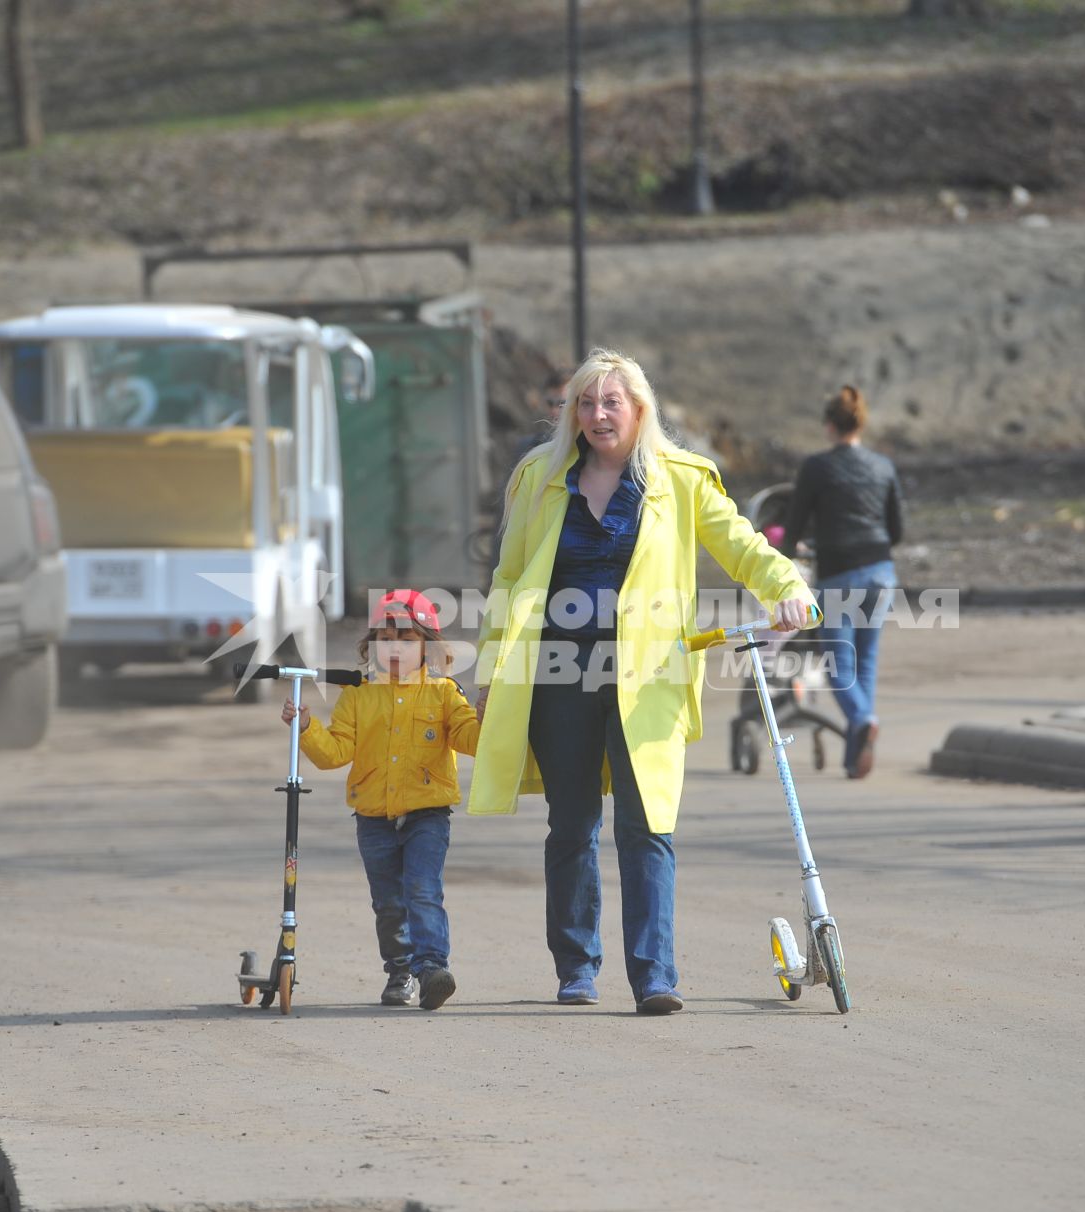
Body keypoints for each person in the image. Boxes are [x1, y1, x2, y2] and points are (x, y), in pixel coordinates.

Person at [469, 349, 815, 1014]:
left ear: (638, 410)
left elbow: (742, 544)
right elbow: (508, 579)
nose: (598, 415)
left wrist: (789, 588)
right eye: (586, 403)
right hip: (556, 675)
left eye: (611, 403)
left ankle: (654, 973)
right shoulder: (537, 480)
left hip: (649, 678)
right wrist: (490, 669)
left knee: (648, 825)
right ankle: (576, 967)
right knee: (570, 824)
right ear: (571, 412)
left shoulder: (681, 479)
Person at [282, 588, 482, 1010]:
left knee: (423, 889)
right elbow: (335, 752)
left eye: (406, 640)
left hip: (428, 812)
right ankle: (400, 971)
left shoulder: (444, 691)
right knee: (388, 901)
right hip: (372, 816)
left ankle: (431, 969)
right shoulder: (358, 693)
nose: (394, 648)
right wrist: (305, 727)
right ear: (370, 645)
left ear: (429, 646)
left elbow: (470, 740)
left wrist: (487, 717)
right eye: (384, 638)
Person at [780, 385, 905, 779]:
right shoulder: (883, 466)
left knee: (839, 667)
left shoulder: (817, 467)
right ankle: (855, 757)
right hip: (881, 572)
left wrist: (788, 551)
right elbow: (897, 528)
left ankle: (864, 717)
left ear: (830, 426)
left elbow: (795, 523)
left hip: (840, 575)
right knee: (864, 664)